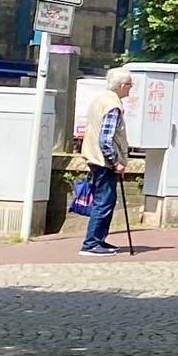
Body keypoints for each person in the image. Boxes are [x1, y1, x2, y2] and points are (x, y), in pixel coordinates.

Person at [74, 67, 133, 256]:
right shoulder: (112, 105)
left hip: (95, 157)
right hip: (103, 161)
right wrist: (116, 162)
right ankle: (91, 243)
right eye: (130, 85)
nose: (131, 88)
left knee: (106, 200)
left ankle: (98, 240)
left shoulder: (100, 100)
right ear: (122, 85)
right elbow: (106, 139)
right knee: (104, 201)